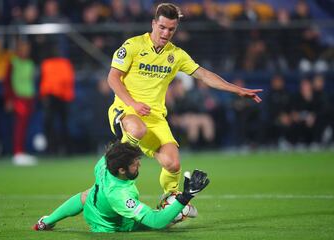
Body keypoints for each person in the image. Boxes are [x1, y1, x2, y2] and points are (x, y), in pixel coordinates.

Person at [107, 3, 261, 197]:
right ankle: (112, 167)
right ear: (153, 24)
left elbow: (204, 75)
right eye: (162, 27)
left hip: (155, 117)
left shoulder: (176, 55)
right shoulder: (133, 45)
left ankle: (170, 199)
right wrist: (133, 104)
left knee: (173, 164)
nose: (165, 33)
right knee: (137, 129)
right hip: (125, 110)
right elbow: (112, 78)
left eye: (171, 29)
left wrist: (237, 90)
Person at [33, 141, 210, 232]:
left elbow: (116, 148)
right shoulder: (121, 196)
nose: (139, 165)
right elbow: (155, 223)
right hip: (111, 225)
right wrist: (185, 197)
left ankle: (46, 222)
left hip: (94, 204)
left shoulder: (104, 162)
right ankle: (180, 210)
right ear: (122, 170)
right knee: (166, 219)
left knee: (89, 193)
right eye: (134, 163)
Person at [3, 40, 37, 166]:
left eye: (27, 49)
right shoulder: (13, 63)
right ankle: (17, 152)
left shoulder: (30, 63)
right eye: (23, 48)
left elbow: (30, 82)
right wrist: (9, 99)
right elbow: (7, 82)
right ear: (18, 50)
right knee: (19, 126)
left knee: (25, 126)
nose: (25, 51)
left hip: (28, 98)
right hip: (18, 98)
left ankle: (22, 152)